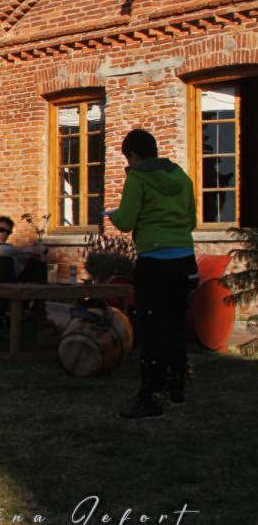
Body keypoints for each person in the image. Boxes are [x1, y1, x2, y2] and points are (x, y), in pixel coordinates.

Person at [106, 129, 198, 420]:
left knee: (152, 329)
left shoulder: (137, 179)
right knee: (175, 326)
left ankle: (150, 398)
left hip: (155, 264)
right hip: (185, 261)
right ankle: (177, 389)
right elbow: (192, 219)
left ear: (132, 155)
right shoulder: (182, 177)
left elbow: (126, 221)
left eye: (128, 159)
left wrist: (113, 215)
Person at [0, 216, 47, 314]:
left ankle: (38, 306)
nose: (4, 234)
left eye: (8, 232)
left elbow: (20, 261)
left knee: (36, 263)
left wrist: (38, 253)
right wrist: (26, 249)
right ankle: (13, 308)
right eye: (1, 230)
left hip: (11, 293)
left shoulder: (9, 249)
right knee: (4, 259)